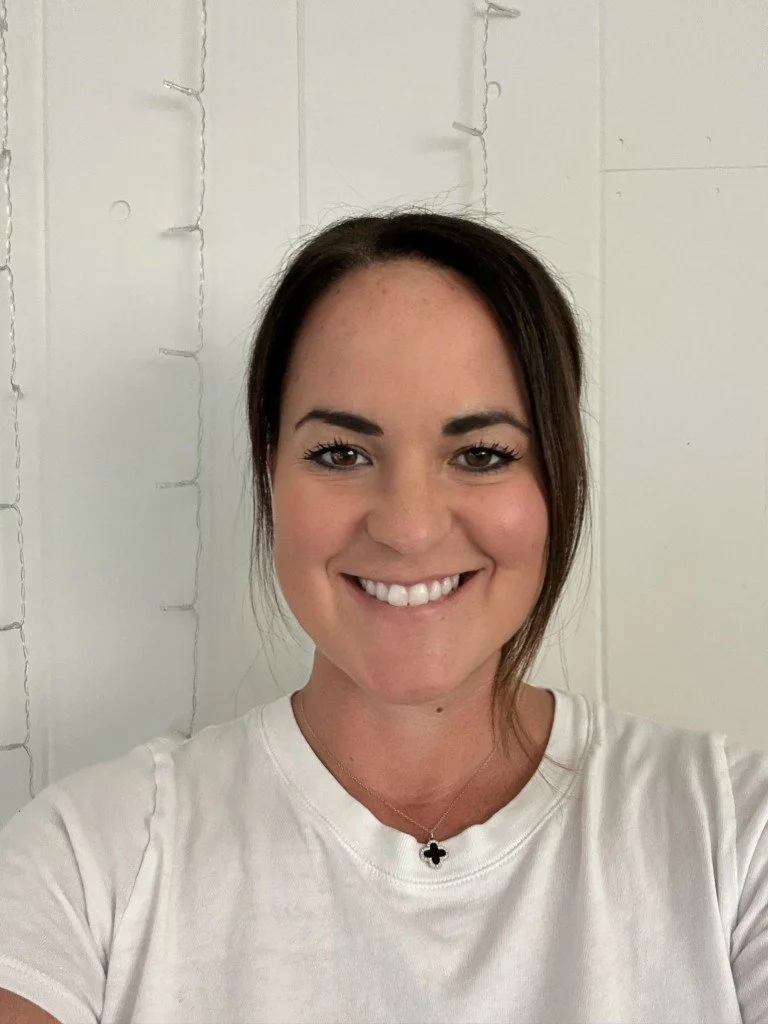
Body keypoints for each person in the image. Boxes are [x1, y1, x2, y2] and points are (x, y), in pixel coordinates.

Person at [0, 210, 766, 1024]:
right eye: (341, 453)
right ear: (271, 476)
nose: (408, 527)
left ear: (557, 481)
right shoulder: (87, 864)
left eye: (481, 454)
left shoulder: (731, 836)